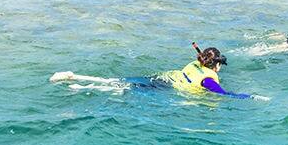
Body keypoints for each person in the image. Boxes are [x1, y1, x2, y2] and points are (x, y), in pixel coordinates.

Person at [50, 43, 261, 99]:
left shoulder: (195, 63)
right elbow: (224, 94)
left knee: (116, 81)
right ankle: (77, 86)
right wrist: (249, 96)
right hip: (164, 88)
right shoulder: (209, 79)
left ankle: (74, 76)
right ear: (217, 65)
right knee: (122, 89)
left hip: (162, 78)